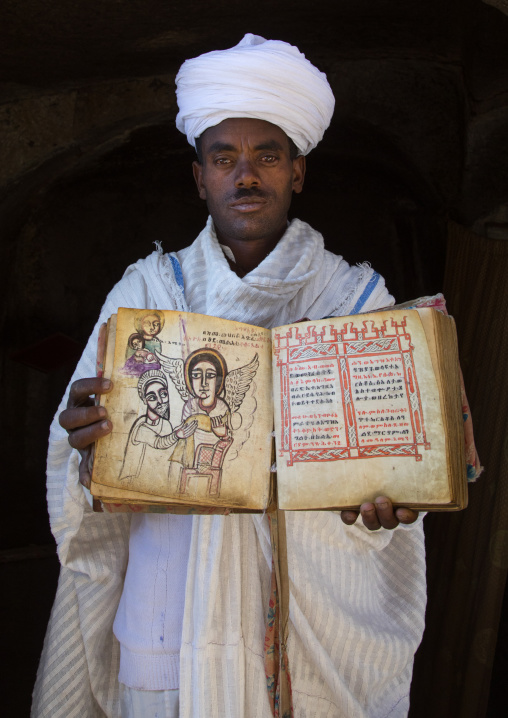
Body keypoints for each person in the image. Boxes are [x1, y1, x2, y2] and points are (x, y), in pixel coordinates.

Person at [33, 34, 426, 718]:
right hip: (167, 627)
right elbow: (79, 463)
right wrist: (82, 438)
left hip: (311, 635)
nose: (246, 176)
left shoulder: (357, 304)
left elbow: (392, 475)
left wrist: (391, 503)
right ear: (200, 177)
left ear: (297, 171)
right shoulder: (146, 294)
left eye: (267, 156)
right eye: (224, 158)